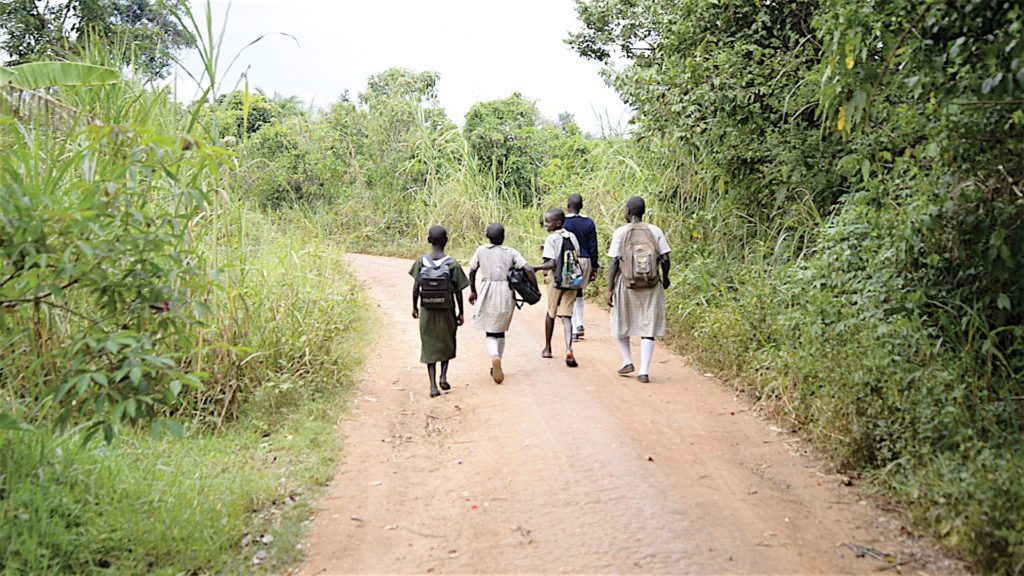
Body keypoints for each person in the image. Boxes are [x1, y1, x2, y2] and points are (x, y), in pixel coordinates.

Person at [606, 196, 671, 383]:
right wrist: (665, 278)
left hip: (626, 284)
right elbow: (665, 258)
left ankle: (627, 361)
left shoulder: (621, 232)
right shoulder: (655, 230)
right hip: (651, 284)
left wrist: (610, 289)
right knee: (648, 325)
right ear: (643, 212)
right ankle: (644, 370)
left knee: (621, 320)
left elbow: (614, 261)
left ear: (627, 211)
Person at [468, 223, 537, 383]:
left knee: (490, 331)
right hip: (506, 292)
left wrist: (473, 290)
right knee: (501, 329)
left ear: (487, 236)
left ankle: (494, 357)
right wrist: (535, 289)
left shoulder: (481, 251)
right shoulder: (511, 252)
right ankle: (498, 361)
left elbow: (472, 271)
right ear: (504, 237)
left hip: (487, 289)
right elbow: (528, 269)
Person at [410, 225, 470, 398]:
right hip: (447, 310)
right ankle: (444, 376)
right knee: (446, 341)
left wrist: (414, 307)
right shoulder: (452, 264)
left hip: (427, 310)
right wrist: (461, 312)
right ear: (446, 240)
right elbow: (458, 291)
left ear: (429, 241)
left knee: (429, 345)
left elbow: (416, 288)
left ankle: (433, 386)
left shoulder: (421, 261)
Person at [534, 208, 581, 367]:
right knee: (567, 315)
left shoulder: (551, 239)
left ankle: (548, 348)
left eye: (548, 222)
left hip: (557, 279)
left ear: (558, 223)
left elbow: (552, 263)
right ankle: (569, 349)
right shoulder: (572, 236)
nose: (546, 225)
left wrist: (536, 268)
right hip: (572, 279)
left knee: (551, 312)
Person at [562, 193, 599, 341]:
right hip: (585, 260)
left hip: (569, 261)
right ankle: (580, 324)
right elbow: (593, 246)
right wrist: (594, 267)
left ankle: (573, 329)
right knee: (579, 291)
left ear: (567, 206)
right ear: (581, 206)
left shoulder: (562, 221)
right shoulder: (589, 222)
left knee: (569, 293)